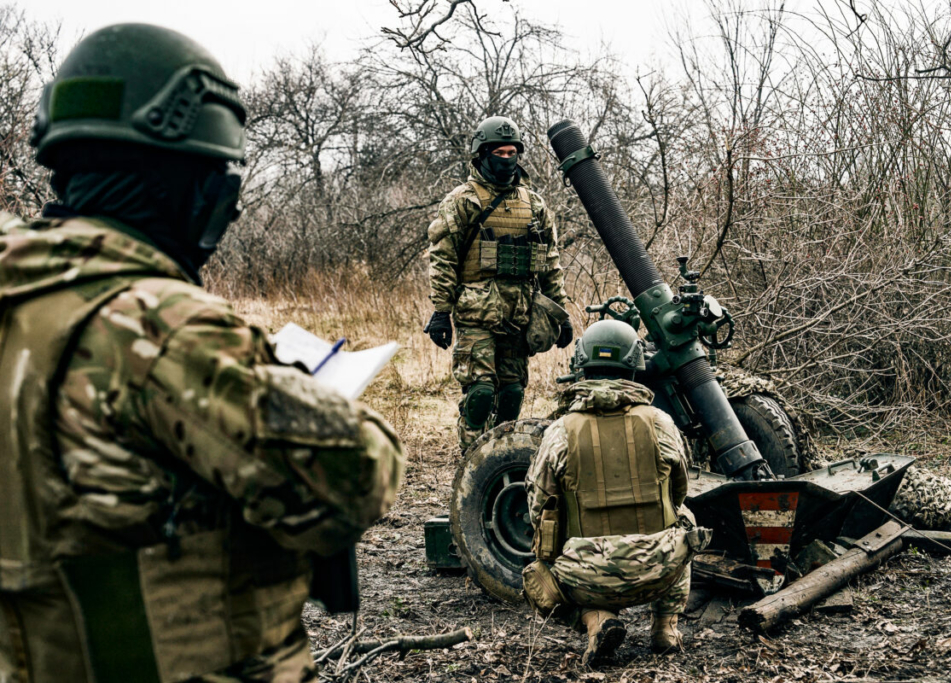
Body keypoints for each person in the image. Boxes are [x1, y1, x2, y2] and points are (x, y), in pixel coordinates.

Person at [0, 24, 404, 682]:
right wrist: (296, 387)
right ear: (190, 187)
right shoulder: (161, 329)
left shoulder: (20, 299)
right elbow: (359, 473)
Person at [521, 320, 711, 668]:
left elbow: (538, 505)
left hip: (585, 577)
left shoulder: (560, 431)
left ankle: (596, 620)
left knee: (537, 569)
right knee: (685, 519)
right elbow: (680, 489)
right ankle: (665, 627)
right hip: (659, 569)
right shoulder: (661, 422)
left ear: (581, 367)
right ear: (635, 366)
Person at [424, 115, 571, 452]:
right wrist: (440, 312)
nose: (507, 159)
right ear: (482, 154)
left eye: (512, 152)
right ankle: (471, 460)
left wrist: (559, 314)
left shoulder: (533, 204)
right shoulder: (463, 201)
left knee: (512, 394)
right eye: (499, 153)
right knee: (480, 393)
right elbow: (443, 258)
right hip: (475, 313)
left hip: (518, 315)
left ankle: (500, 459)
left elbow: (550, 261)